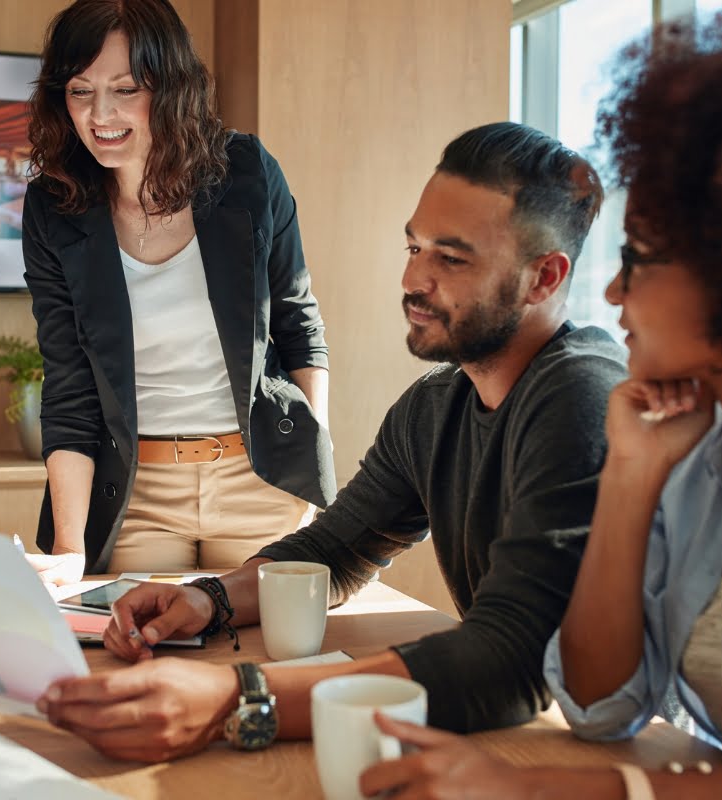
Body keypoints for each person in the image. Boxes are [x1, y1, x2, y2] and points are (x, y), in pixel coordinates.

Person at [354, 17, 722, 800]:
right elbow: (602, 705)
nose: (611, 292)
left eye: (638, 260)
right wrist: (631, 480)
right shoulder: (696, 446)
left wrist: (536, 793)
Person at [36, 121, 627, 761]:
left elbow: (512, 655)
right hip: (517, 735)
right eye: (413, 248)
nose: (414, 281)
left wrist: (237, 697)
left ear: (545, 278)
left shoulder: (581, 395)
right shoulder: (435, 407)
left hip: (607, 756)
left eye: (451, 258)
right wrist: (204, 600)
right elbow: (335, 548)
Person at [22, 0, 335, 584]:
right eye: (80, 91)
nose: (101, 114)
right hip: (138, 493)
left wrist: (309, 477)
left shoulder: (246, 172)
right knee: (139, 652)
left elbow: (299, 328)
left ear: (170, 87)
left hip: (260, 479)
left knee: (271, 657)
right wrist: (69, 549)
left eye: (126, 88)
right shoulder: (54, 206)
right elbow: (67, 383)